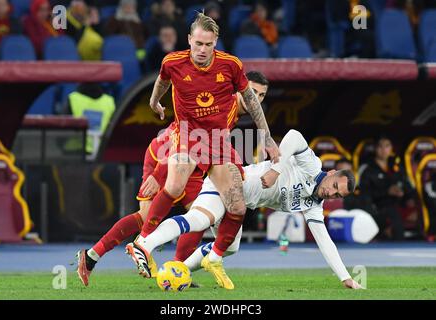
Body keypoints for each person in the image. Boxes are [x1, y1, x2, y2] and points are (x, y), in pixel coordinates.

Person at [75, 71, 270, 286]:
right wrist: (160, 172)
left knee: (199, 216)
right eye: (253, 92)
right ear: (241, 88)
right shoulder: (223, 104)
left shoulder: (233, 111)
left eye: (261, 96)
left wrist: (237, 167)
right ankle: (103, 253)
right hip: (164, 153)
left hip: (194, 164)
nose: (256, 100)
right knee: (146, 214)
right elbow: (183, 134)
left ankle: (179, 268)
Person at [127, 13, 279, 286]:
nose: (202, 50)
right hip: (188, 135)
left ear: (215, 42)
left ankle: (214, 256)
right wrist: (154, 102)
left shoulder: (230, 65)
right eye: (198, 43)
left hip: (218, 143)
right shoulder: (173, 62)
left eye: (208, 44)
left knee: (237, 206)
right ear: (189, 40)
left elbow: (251, 101)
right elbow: (162, 81)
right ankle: (143, 244)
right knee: (174, 186)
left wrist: (266, 137)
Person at [130, 129, 363, 290]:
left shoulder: (313, 205)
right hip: (231, 182)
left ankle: (180, 270)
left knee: (230, 246)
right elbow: (294, 136)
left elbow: (325, 241)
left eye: (337, 195)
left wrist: (345, 277)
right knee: (199, 220)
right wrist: (277, 170)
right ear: (331, 174)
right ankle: (144, 244)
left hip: (239, 205)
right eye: (334, 186)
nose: (331, 194)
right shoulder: (313, 166)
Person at [359, 136, 419, 240]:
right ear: (375, 148)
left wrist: (408, 198)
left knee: (420, 211)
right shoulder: (367, 168)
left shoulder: (396, 166)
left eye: (387, 146)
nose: (383, 150)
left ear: (391, 148)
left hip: (400, 206)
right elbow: (363, 195)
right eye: (380, 146)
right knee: (392, 214)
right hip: (378, 209)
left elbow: (408, 187)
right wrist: (387, 192)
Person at [66, 83, 115, 156]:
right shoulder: (109, 101)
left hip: (74, 152)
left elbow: (63, 128)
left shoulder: (72, 98)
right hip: (101, 152)